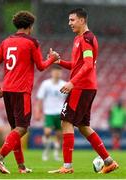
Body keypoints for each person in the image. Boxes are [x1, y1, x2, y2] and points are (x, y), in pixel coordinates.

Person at [48, 8, 119, 174]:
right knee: (84, 126)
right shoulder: (80, 39)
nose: (69, 23)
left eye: (72, 20)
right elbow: (78, 65)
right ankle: (108, 161)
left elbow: (88, 65)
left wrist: (72, 83)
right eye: (69, 20)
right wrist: (59, 61)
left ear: (82, 20)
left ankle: (67, 166)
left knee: (66, 121)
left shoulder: (86, 39)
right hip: (87, 86)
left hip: (82, 87)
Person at [0, 11, 59, 174]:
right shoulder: (31, 42)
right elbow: (41, 66)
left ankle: (21, 167)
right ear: (30, 26)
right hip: (21, 91)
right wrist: (53, 58)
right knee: (22, 128)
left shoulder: (6, 42)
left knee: (16, 129)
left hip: (6, 90)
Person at [36, 65, 66, 161]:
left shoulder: (64, 84)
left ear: (61, 73)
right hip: (49, 112)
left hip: (60, 113)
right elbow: (40, 99)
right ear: (51, 73)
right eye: (55, 71)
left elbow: (69, 99)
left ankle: (56, 153)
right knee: (47, 132)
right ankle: (46, 149)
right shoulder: (46, 84)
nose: (57, 73)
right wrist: (38, 112)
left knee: (59, 135)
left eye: (58, 72)